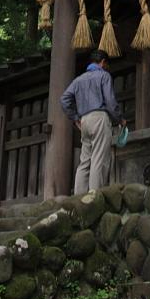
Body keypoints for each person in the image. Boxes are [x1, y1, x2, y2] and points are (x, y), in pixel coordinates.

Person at [60, 49, 127, 194]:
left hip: (84, 121)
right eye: (106, 65)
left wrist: (75, 117)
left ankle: (79, 197)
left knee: (85, 160)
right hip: (99, 118)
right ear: (103, 62)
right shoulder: (104, 76)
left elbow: (64, 99)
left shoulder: (78, 80)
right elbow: (110, 102)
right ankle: (95, 196)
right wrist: (120, 119)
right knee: (99, 158)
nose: (107, 68)